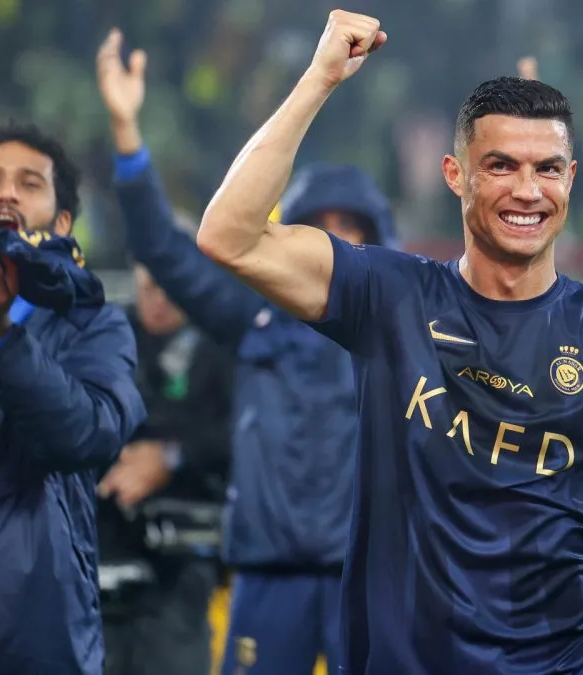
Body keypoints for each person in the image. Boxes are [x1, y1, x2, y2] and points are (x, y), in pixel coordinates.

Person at [197, 11, 583, 675]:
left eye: (547, 168)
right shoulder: (388, 298)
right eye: (502, 164)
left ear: (571, 178)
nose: (526, 189)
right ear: (456, 174)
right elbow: (229, 235)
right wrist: (319, 79)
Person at [94, 28, 398, 675]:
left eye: (353, 229)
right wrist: (126, 136)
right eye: (324, 225)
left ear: (378, 239)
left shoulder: (399, 327)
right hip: (266, 575)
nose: (336, 244)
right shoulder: (253, 316)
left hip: (368, 579)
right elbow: (166, 250)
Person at [0, 121, 146, 673]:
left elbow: (89, 436)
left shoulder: (93, 324)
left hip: (40, 648)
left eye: (29, 183)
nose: (7, 193)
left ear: (63, 220)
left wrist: (0, 341)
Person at [98, 254, 235, 675]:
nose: (158, 299)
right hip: (102, 548)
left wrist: (171, 457)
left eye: (170, 286)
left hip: (184, 557)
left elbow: (244, 434)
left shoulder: (223, 343)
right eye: (149, 286)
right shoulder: (106, 336)